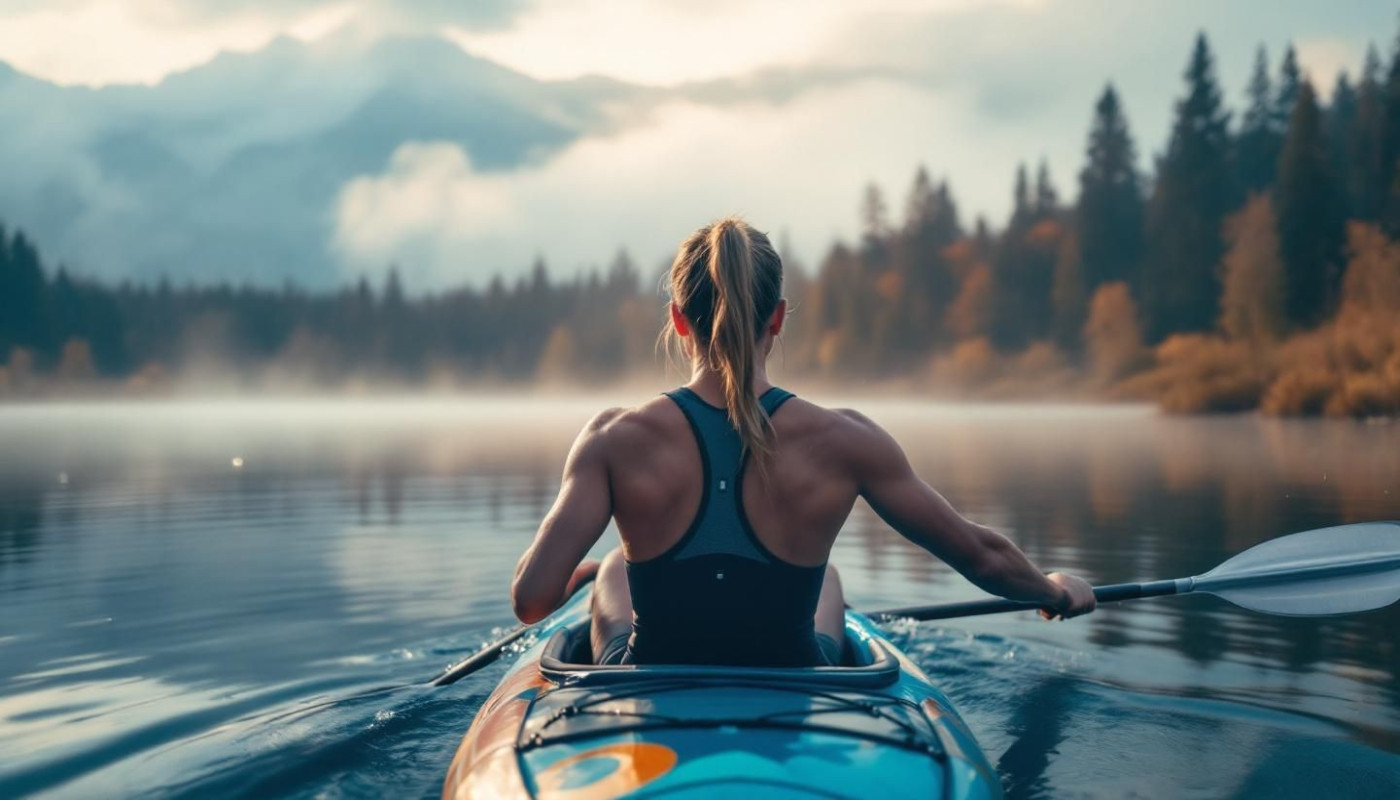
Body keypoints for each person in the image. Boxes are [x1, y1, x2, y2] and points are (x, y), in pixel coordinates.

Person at [510, 216, 1096, 667]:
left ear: (679, 320)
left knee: (614, 565)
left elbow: (532, 601)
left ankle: (596, 572)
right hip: (796, 677)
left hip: (654, 675)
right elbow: (980, 555)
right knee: (829, 578)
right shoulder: (847, 440)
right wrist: (1052, 590)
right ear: (779, 318)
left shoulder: (615, 438)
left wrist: (570, 572)